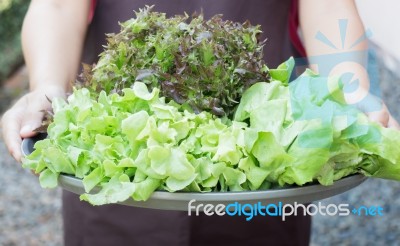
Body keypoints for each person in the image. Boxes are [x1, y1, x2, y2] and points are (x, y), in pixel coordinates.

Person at [1, 0, 399, 245]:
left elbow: (328, 5)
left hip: (260, 168)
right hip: (119, 176)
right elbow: (56, 4)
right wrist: (49, 86)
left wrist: (343, 90)